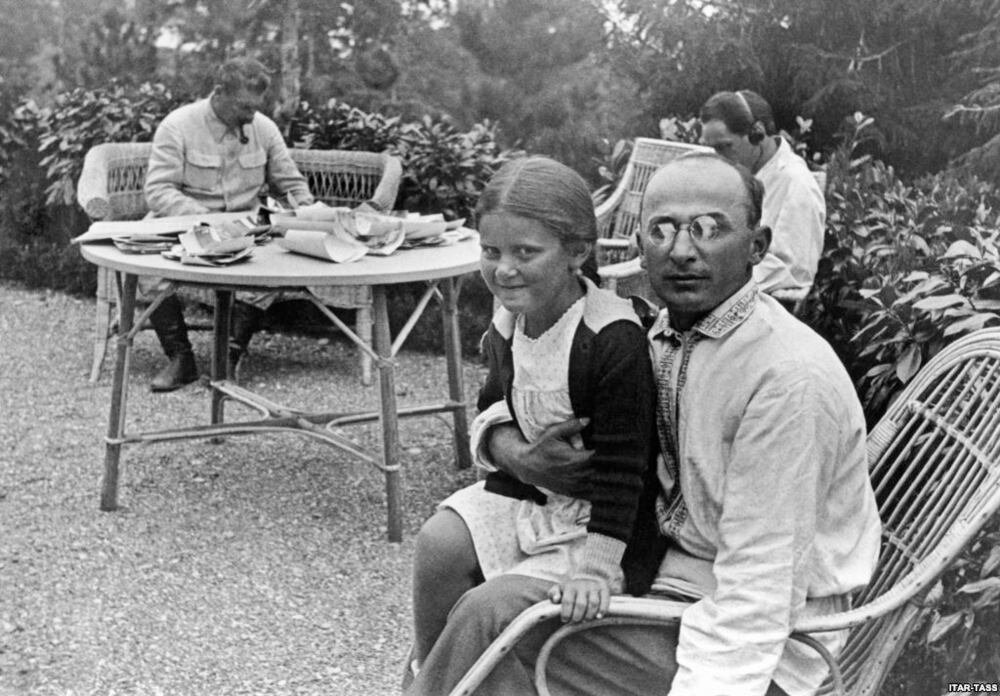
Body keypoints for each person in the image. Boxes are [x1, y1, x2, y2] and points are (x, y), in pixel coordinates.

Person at [409, 152, 881, 696]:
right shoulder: (656, 333)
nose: (681, 251)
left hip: (758, 643)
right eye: (662, 230)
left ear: (758, 245)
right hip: (665, 575)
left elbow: (759, 595)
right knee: (448, 551)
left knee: (494, 617)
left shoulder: (786, 379)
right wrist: (511, 449)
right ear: (639, 246)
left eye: (709, 229)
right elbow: (521, 398)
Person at [405, 157, 656, 694]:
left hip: (603, 526)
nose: (504, 270)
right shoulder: (510, 319)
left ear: (577, 252)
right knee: (439, 541)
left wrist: (598, 570)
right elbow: (493, 403)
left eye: (525, 253)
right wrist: (513, 450)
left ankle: (446, 685)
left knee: (486, 606)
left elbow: (625, 470)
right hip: (536, 498)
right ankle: (433, 675)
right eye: (491, 251)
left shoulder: (610, 339)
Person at [142, 56, 315, 391]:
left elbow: (290, 183)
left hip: (246, 227)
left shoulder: (263, 128)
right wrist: (205, 222)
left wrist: (306, 208)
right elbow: (158, 191)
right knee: (148, 270)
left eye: (256, 107)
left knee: (269, 264)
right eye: (244, 107)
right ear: (219, 92)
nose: (251, 116)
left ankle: (228, 359)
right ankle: (180, 359)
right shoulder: (178, 125)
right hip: (185, 223)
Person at [699, 89, 825, 308]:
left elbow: (791, 269)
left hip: (757, 306)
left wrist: (712, 281)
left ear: (757, 133)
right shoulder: (742, 172)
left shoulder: (796, 183)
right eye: (712, 148)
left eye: (724, 146)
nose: (718, 158)